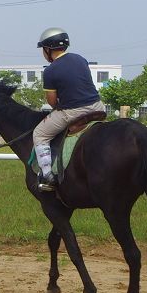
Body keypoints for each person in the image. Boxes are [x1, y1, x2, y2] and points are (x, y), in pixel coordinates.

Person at [33, 28, 106, 192]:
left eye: (43, 49)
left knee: (39, 134)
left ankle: (47, 176)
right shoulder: (80, 59)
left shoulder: (50, 70)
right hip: (97, 107)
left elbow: (52, 101)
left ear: (48, 48)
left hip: (74, 112)